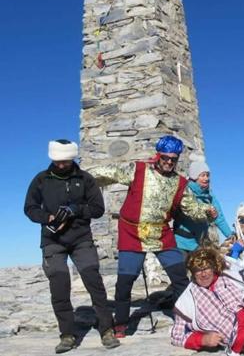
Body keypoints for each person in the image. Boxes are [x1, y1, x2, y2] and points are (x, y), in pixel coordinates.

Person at [90, 135, 217, 337]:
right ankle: (121, 324)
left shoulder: (180, 183)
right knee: (125, 281)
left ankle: (187, 319)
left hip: (161, 234)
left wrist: (206, 211)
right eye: (165, 157)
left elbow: (191, 208)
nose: (169, 162)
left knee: (180, 278)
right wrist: (80, 176)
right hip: (132, 232)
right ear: (158, 155)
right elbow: (109, 173)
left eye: (173, 159)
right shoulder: (138, 170)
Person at [24, 139, 120, 353]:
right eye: (57, 161)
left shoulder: (85, 179)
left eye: (65, 161)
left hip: (81, 238)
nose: (61, 165)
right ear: (52, 158)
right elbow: (29, 208)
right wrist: (47, 217)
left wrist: (75, 210)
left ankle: (107, 330)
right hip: (52, 240)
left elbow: (97, 208)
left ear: (73, 158)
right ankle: (67, 335)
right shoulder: (41, 180)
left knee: (93, 279)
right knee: (59, 284)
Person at [173, 159, 232, 256]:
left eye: (208, 175)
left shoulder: (210, 196)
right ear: (194, 177)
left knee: (202, 270)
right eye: (202, 175)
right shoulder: (184, 191)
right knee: (181, 271)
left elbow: (219, 218)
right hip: (181, 242)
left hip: (199, 244)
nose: (206, 178)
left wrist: (230, 235)